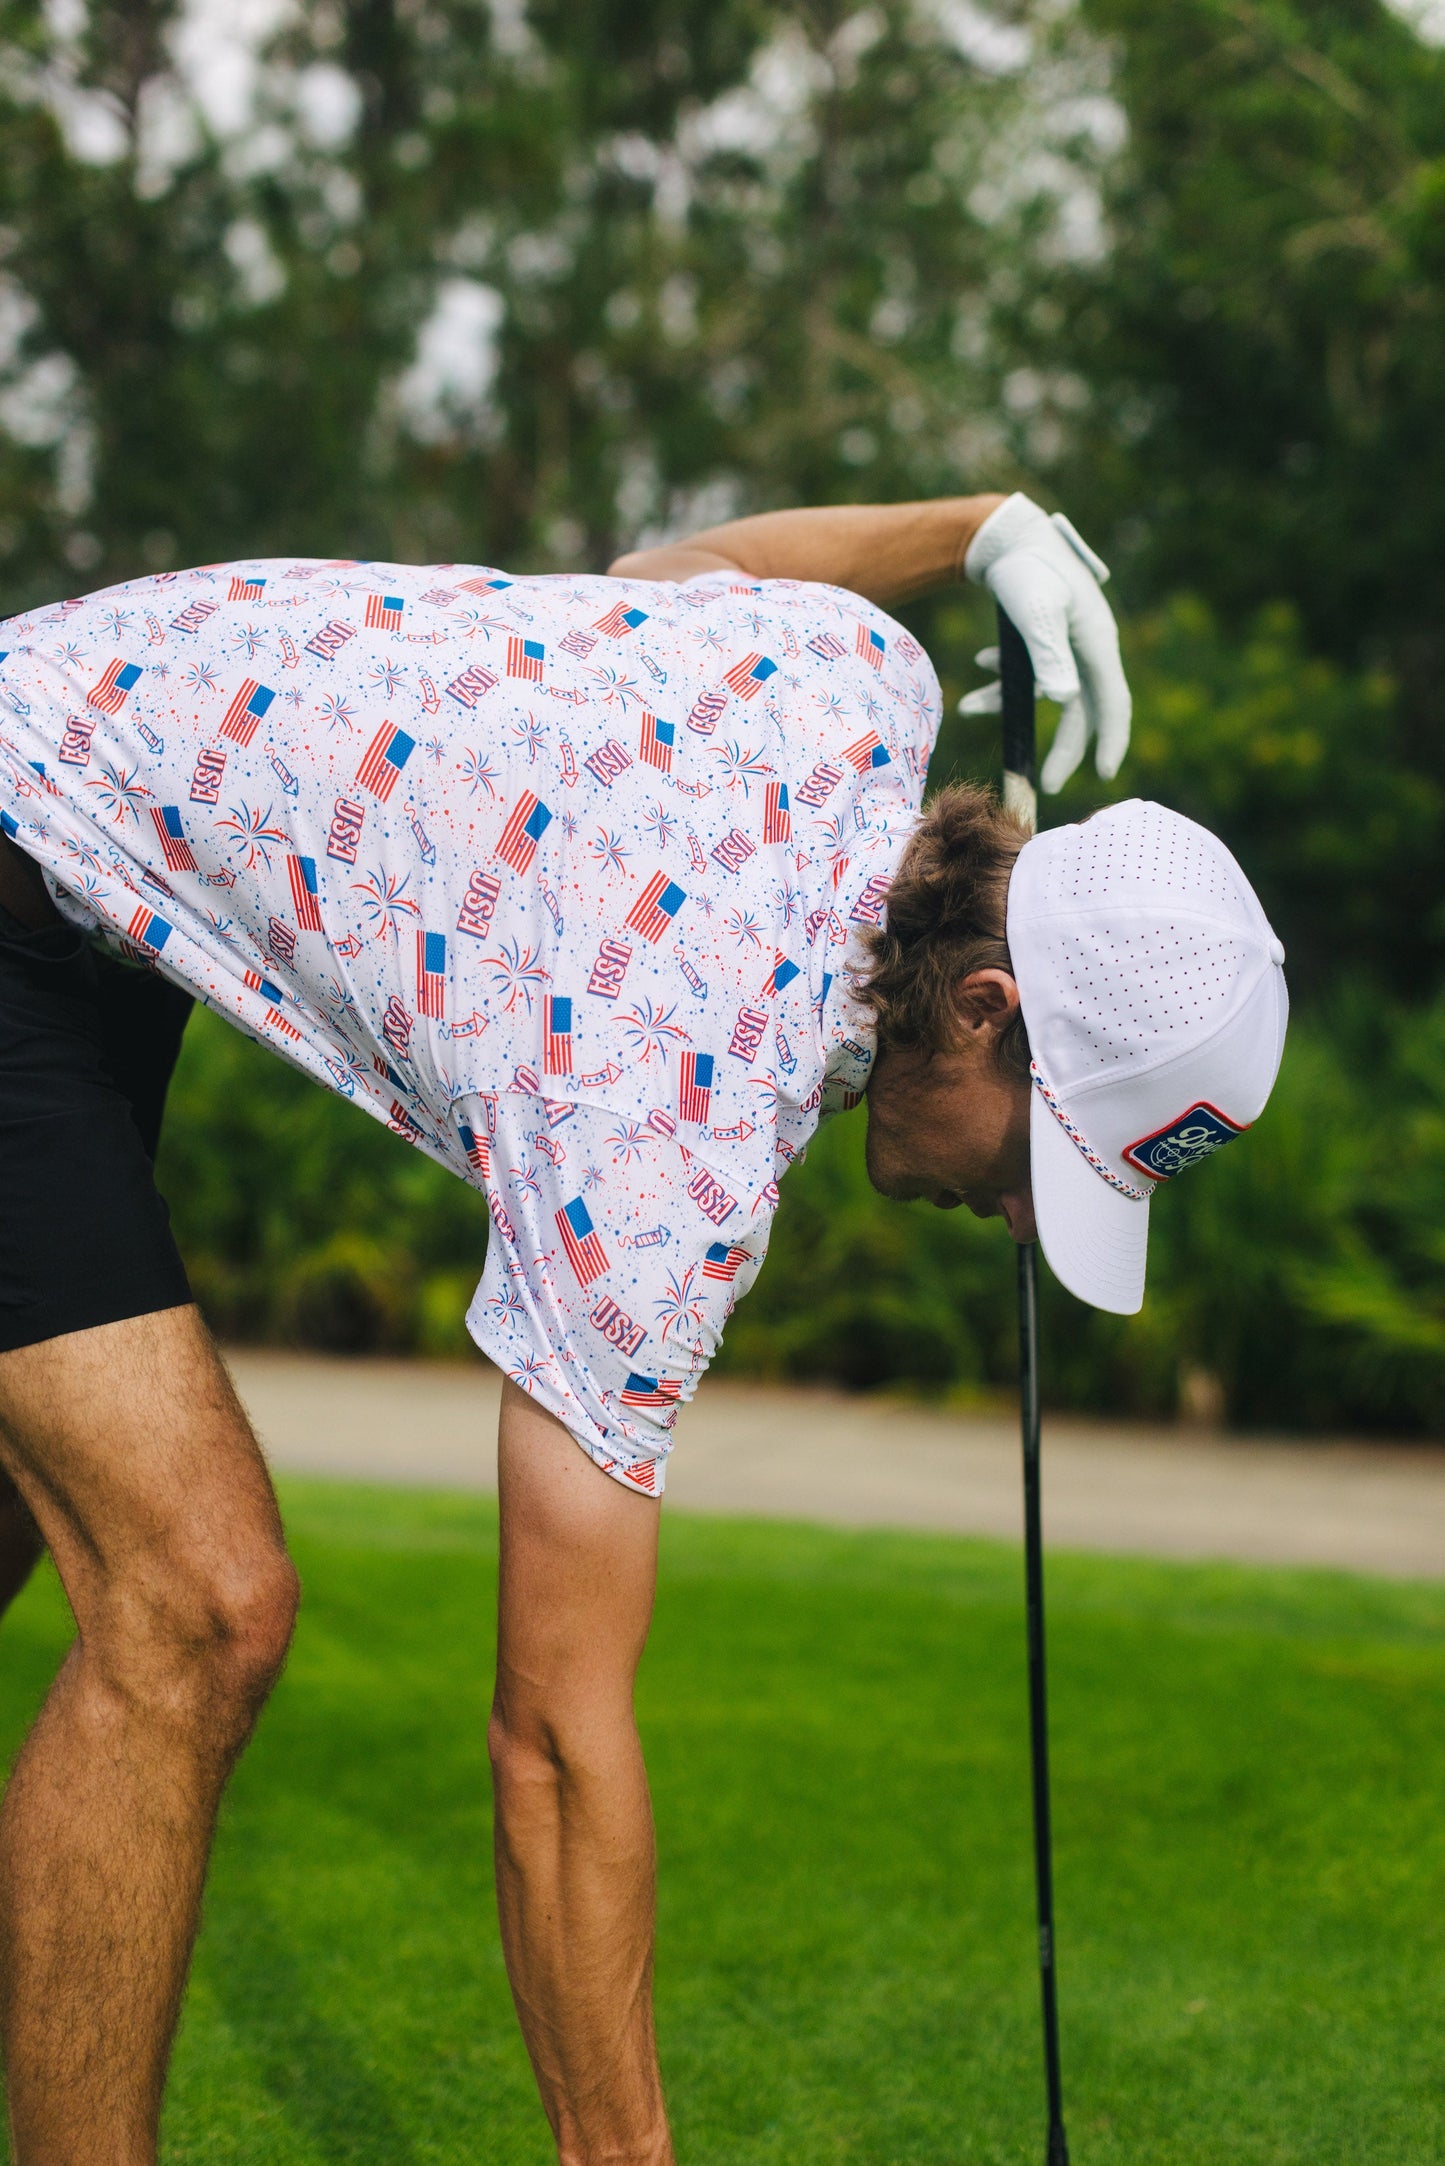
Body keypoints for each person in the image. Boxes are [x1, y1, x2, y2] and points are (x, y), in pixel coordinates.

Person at [0, 490, 1285, 2164]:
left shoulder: (851, 682)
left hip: (70, 878)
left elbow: (677, 574)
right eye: (1048, 1160)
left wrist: (979, 529)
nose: (1030, 1220)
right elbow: (549, 1743)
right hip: (27, 838)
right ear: (985, 1009)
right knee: (196, 1603)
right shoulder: (669, 1124)